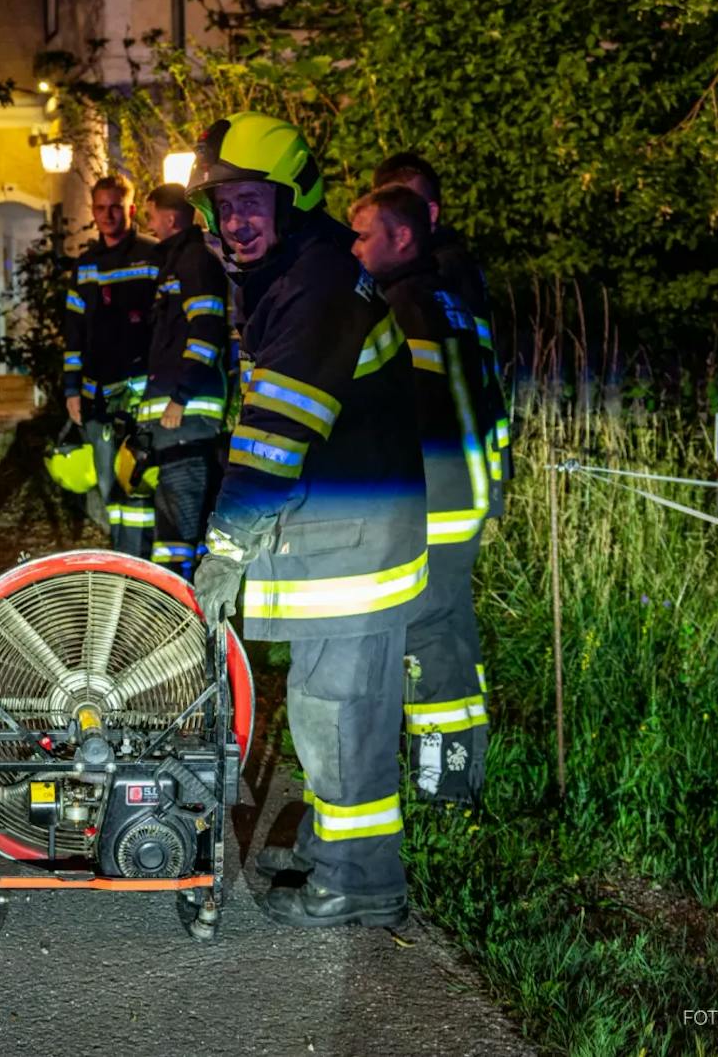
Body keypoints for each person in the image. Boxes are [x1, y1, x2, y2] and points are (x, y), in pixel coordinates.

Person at [186, 112, 428, 928]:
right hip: (342, 531)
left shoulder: (314, 286)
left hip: (354, 540)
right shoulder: (300, 271)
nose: (237, 221)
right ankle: (339, 850)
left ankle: (362, 883)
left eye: (252, 201)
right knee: (329, 708)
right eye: (224, 206)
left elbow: (272, 438)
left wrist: (223, 548)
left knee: (341, 714)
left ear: (293, 201)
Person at [351, 185, 492, 805]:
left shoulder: (403, 308)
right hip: (465, 491)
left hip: (432, 503)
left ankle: (441, 789)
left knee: (427, 641)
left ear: (401, 236)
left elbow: (393, 414)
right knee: (453, 635)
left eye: (363, 235)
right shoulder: (447, 299)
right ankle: (462, 775)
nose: (354, 248)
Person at [372, 152, 511, 519]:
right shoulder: (416, 278)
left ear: (430, 214)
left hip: (449, 474)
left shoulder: (439, 275)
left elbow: (472, 374)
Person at [62, 174, 162, 556]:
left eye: (116, 207)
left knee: (138, 482)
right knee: (107, 486)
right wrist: (72, 389)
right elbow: (74, 333)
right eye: (101, 208)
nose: (108, 215)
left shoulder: (153, 256)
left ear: (131, 209)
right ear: (93, 211)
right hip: (97, 397)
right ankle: (119, 557)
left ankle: (142, 560)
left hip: (140, 397)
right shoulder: (85, 266)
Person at [139, 183, 228, 580]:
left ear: (169, 217)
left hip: (187, 418)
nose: (148, 224)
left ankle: (179, 605)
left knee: (181, 521)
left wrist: (180, 397)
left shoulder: (192, 262)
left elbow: (205, 331)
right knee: (177, 516)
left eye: (150, 215)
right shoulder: (179, 262)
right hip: (179, 419)